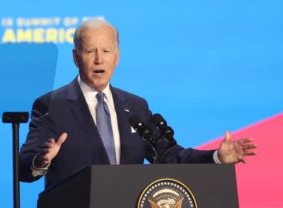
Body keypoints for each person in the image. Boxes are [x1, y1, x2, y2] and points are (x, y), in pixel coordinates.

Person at [19, 19, 256, 188]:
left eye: (106, 50)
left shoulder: (135, 106)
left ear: (117, 56)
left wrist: (216, 157)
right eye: (90, 51)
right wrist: (42, 161)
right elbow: (24, 166)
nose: (99, 59)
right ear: (75, 57)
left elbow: (167, 155)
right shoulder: (52, 105)